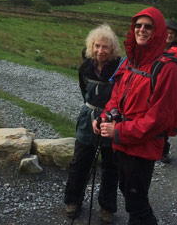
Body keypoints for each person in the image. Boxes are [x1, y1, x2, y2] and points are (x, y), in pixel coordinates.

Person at [93, 7, 177, 225]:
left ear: (158, 31)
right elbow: (116, 97)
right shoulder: (131, 62)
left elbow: (159, 118)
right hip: (123, 142)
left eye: (148, 27)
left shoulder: (167, 68)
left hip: (142, 147)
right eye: (138, 26)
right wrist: (104, 117)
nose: (141, 30)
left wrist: (119, 131)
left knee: (136, 203)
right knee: (128, 191)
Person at [64, 24, 122, 223]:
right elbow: (84, 90)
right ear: (91, 46)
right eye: (97, 46)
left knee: (111, 165)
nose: (100, 51)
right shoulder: (86, 67)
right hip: (87, 119)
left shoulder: (119, 69)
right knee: (80, 161)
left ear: (112, 49)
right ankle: (73, 200)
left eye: (105, 47)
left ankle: (107, 207)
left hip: (111, 121)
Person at [161, 19, 177, 163]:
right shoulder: (153, 46)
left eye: (172, 33)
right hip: (151, 87)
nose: (169, 35)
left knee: (164, 122)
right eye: (167, 32)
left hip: (169, 91)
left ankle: (163, 151)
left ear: (176, 37)